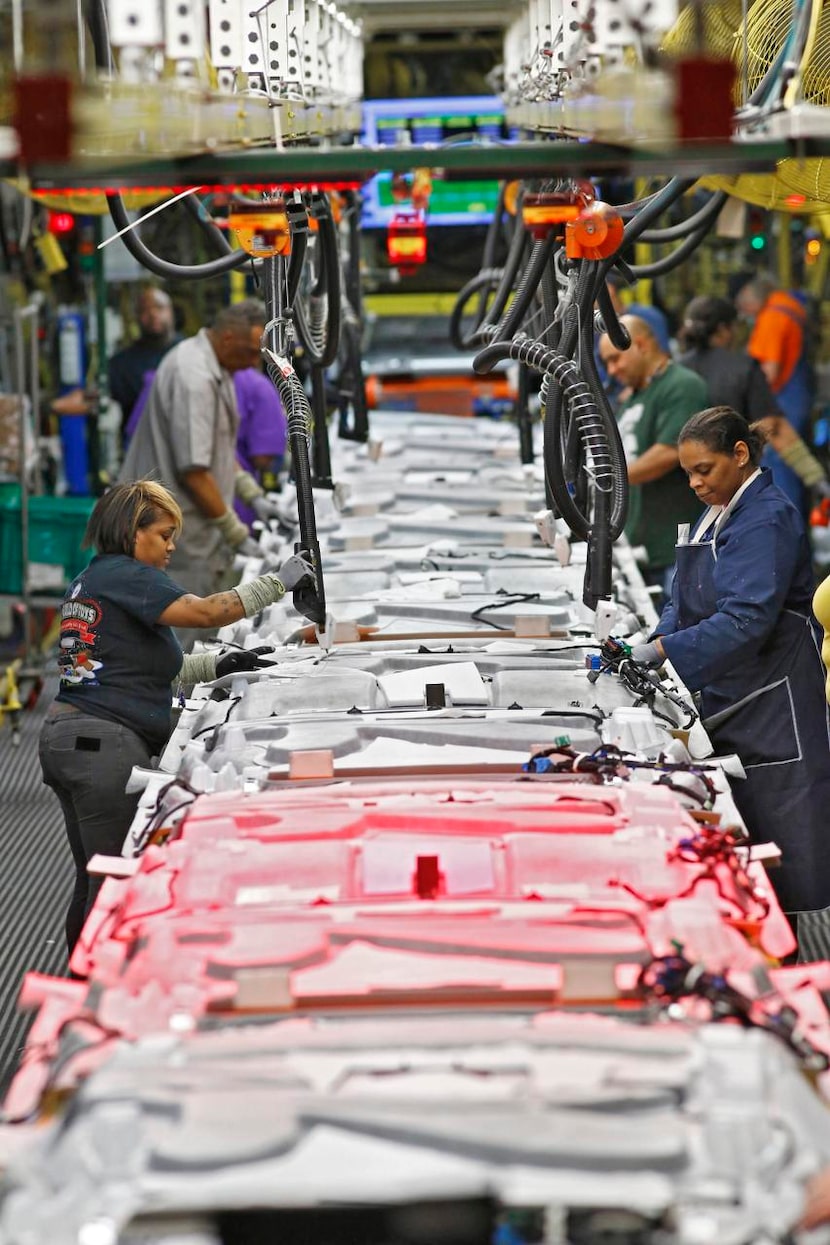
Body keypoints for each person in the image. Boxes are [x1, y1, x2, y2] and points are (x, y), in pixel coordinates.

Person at [38, 480, 314, 956]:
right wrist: (280, 582)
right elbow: (208, 612)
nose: (169, 547)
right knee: (117, 887)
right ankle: (101, 995)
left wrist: (218, 666)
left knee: (95, 881)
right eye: (164, 534)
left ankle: (81, 983)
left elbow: (134, 669)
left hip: (70, 739)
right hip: (104, 747)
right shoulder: (130, 576)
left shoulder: (93, 580)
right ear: (132, 531)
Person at [631, 407, 830, 943]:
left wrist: (665, 653)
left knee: (795, 842)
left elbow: (747, 619)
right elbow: (683, 599)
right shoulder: (719, 510)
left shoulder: (766, 516)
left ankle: (812, 970)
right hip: (735, 692)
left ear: (740, 455)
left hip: (776, 702)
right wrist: (651, 642)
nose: (695, 483)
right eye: (688, 473)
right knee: (756, 836)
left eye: (705, 470)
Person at [119, 300, 278, 649]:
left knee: (199, 637)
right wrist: (236, 533)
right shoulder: (194, 377)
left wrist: (251, 494)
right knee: (179, 643)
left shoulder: (216, 367)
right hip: (170, 537)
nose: (254, 363)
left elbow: (215, 448)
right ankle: (175, 705)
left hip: (187, 534)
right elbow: (194, 470)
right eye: (251, 352)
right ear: (227, 338)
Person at [598, 314, 708, 598]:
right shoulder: (635, 394)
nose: (611, 370)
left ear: (641, 345)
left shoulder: (682, 386)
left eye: (615, 359)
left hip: (669, 553)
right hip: (640, 546)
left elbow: (670, 452)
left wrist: (606, 479)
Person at [679, 293, 828, 496]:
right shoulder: (743, 368)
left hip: (682, 495)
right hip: (732, 493)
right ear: (724, 329)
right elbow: (774, 428)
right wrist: (817, 479)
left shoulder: (673, 371)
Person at [735, 273, 816, 510]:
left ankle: (786, 534)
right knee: (796, 469)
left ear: (750, 295)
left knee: (780, 469)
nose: (746, 313)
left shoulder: (773, 317)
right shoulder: (790, 305)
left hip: (782, 401)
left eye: (744, 307)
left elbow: (768, 372)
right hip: (797, 396)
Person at [109, 287, 180, 439]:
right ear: (137, 317)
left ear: (171, 312)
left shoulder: (190, 353)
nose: (153, 314)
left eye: (159, 307)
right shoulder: (122, 363)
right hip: (143, 450)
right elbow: (98, 396)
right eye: (145, 310)